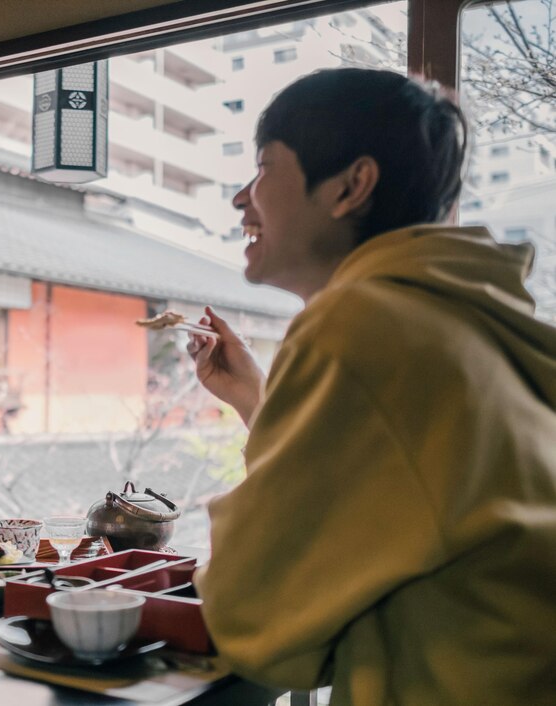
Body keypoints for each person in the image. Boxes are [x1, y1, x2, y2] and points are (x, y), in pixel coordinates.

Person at [187, 68, 556, 704]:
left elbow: (254, 612)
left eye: (264, 166)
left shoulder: (359, 322)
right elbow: (406, 495)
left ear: (352, 186)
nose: (241, 199)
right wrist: (256, 401)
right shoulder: (471, 319)